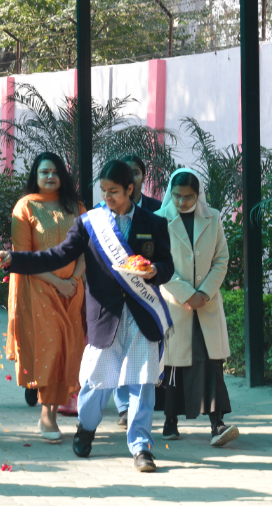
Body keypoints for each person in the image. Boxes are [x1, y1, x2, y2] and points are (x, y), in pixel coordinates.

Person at [0, 160, 174, 472]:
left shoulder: (154, 222)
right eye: (104, 191)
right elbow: (57, 255)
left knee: (143, 383)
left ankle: (141, 447)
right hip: (106, 316)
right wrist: (15, 260)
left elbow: (167, 265)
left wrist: (155, 270)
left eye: (114, 191)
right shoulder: (91, 223)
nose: (107, 197)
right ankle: (86, 428)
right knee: (95, 383)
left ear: (130, 189)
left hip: (141, 315)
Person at [5, 153, 86, 441]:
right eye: (44, 172)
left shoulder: (76, 207)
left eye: (55, 172)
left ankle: (55, 410)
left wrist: (73, 281)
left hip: (73, 290)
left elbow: (85, 250)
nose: (50, 177)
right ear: (35, 176)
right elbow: (23, 256)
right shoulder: (26, 206)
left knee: (69, 349)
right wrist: (56, 282)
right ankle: (46, 415)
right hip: (38, 289)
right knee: (50, 349)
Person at [156, 169, 238, 446]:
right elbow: (158, 264)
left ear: (198, 194)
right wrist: (186, 294)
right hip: (175, 304)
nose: (182, 202)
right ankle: (170, 420)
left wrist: (204, 292)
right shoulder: (158, 219)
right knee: (174, 364)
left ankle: (217, 423)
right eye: (177, 196)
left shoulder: (212, 217)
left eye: (188, 197)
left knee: (211, 362)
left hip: (206, 303)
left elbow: (221, 258)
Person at [112, 154, 163, 425]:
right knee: (117, 353)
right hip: (113, 298)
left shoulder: (157, 210)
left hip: (146, 297)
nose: (131, 177)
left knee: (141, 356)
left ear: (143, 177)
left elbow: (166, 257)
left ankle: (138, 415)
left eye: (136, 172)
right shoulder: (101, 214)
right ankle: (123, 407)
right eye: (126, 172)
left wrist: (157, 271)